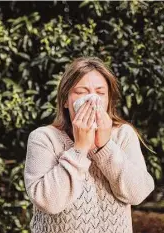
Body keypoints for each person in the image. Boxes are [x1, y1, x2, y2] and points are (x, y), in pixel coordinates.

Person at [24, 57, 155, 233]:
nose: (92, 99)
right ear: (65, 100)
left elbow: (137, 193)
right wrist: (79, 149)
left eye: (100, 93)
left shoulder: (123, 134)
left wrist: (105, 147)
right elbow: (48, 202)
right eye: (81, 91)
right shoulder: (43, 138)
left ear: (108, 100)